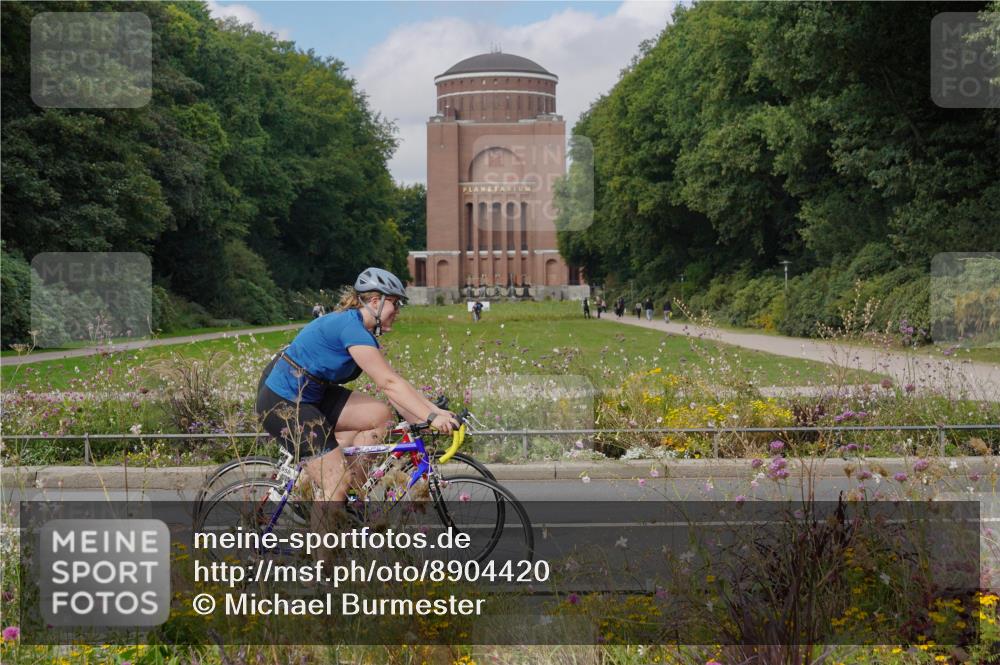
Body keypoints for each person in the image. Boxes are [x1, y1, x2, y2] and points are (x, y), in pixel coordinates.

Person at [256, 267, 460, 503]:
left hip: (311, 395)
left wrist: (432, 413)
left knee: (379, 414)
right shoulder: (350, 329)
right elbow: (389, 382)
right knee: (335, 484)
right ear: (376, 301)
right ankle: (330, 516)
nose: (398, 311)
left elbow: (391, 383)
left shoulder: (359, 330)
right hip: (284, 401)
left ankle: (353, 496)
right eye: (395, 303)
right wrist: (432, 417)